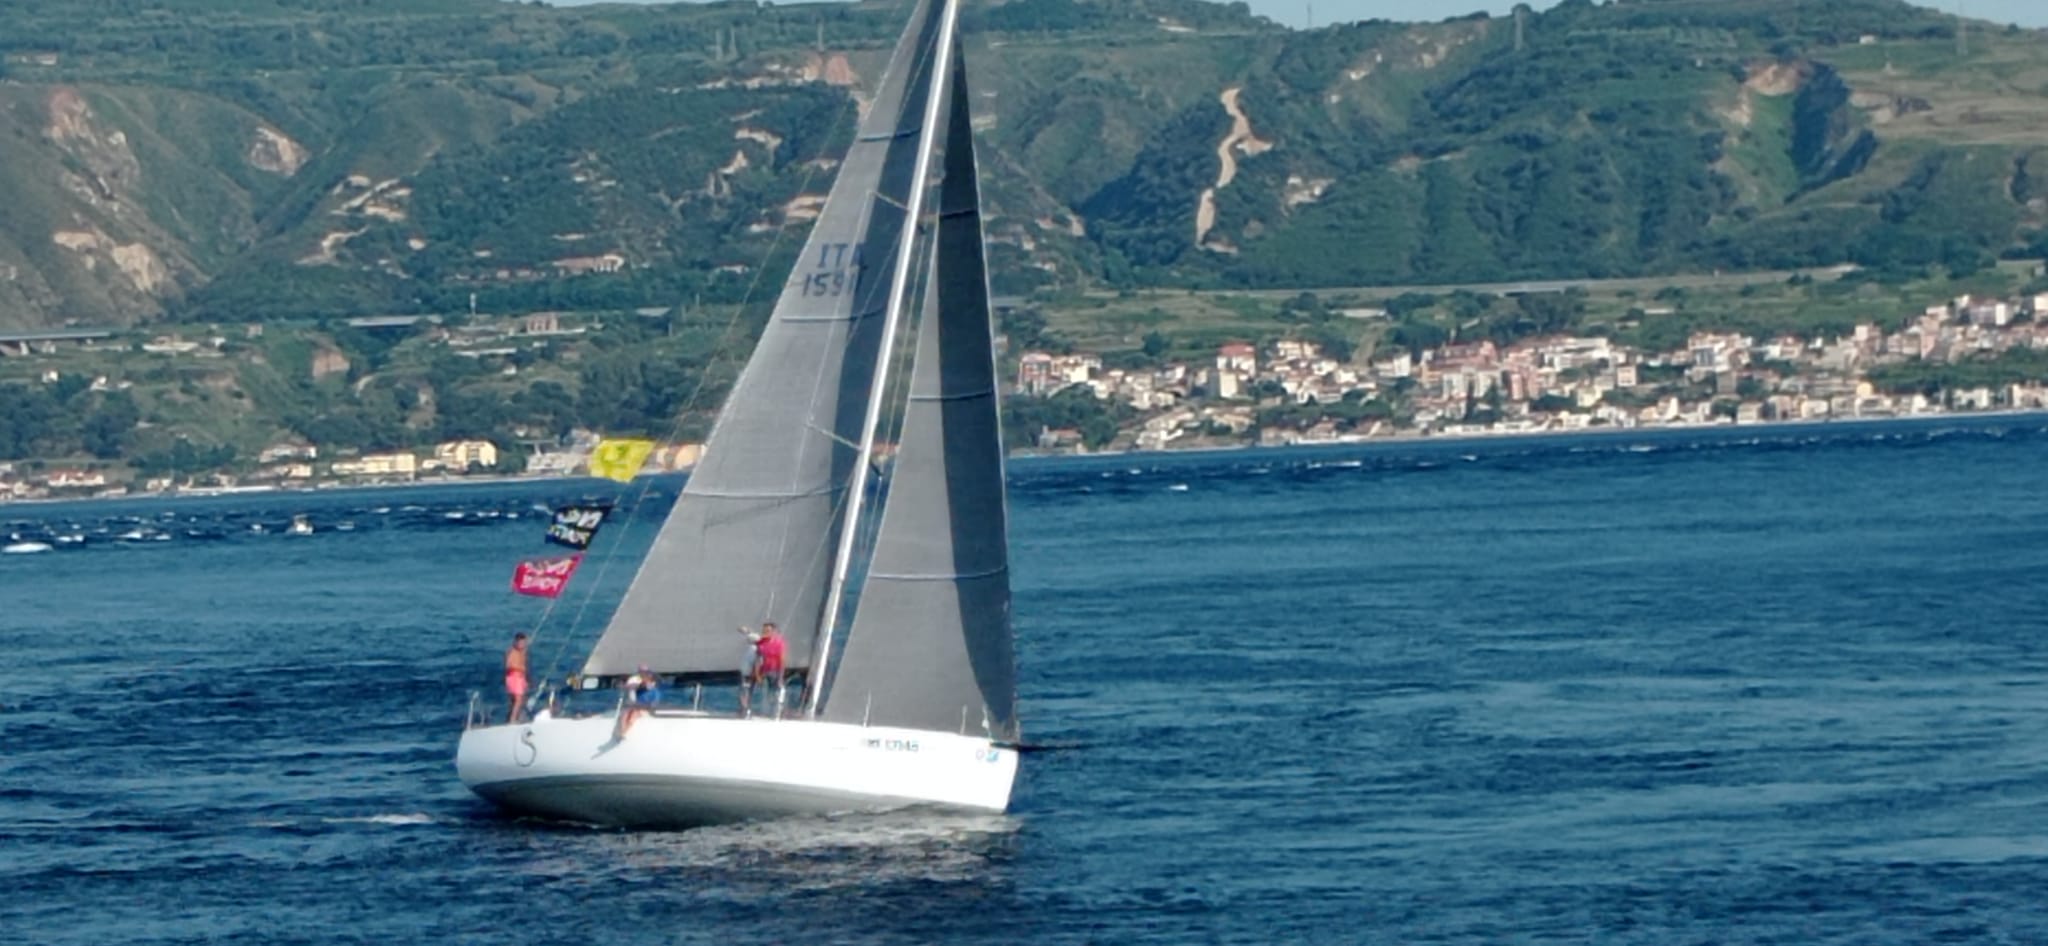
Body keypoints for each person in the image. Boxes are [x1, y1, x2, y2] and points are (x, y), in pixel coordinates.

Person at [620, 664, 660, 735]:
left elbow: (654, 704)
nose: (646, 683)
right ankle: (622, 730)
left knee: (633, 715)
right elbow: (630, 690)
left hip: (644, 709)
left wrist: (647, 706)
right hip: (636, 707)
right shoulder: (639, 690)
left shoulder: (655, 692)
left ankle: (624, 732)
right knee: (625, 713)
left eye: (648, 682)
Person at [503, 632, 529, 724]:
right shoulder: (512, 651)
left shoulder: (522, 652)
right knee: (518, 700)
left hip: (520, 677)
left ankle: (512, 717)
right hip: (513, 676)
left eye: (524, 643)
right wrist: (519, 668)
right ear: (516, 642)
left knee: (518, 700)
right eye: (521, 643)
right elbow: (508, 665)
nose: (522, 645)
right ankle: (512, 719)